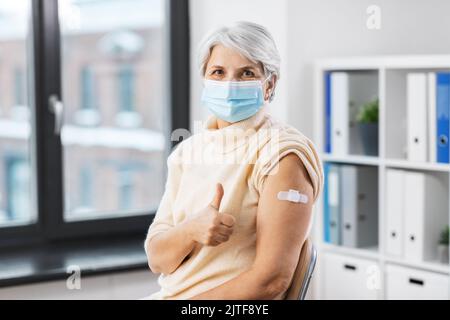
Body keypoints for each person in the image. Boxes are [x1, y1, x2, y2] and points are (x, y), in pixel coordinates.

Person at [144, 21, 323, 300]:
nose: (229, 84)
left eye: (246, 73)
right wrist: (191, 230)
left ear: (269, 84)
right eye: (218, 72)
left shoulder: (283, 156)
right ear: (204, 78)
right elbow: (158, 259)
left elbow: (271, 281)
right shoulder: (187, 152)